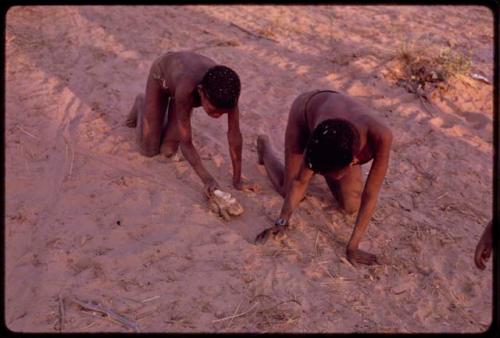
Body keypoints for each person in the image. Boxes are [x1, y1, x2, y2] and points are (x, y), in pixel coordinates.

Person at [255, 90, 393, 266]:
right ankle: (265, 149)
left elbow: (370, 195)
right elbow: (300, 182)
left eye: (327, 172)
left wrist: (353, 246)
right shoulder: (322, 137)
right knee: (288, 189)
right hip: (305, 112)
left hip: (339, 126)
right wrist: (282, 221)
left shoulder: (381, 136)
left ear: (352, 161)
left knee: (351, 204)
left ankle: (325, 168)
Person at [126, 51, 255, 195]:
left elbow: (234, 136)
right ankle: (141, 104)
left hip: (180, 87)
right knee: (149, 149)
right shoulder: (187, 89)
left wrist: (237, 180)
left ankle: (160, 113)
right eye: (213, 110)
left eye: (222, 112)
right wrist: (207, 179)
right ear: (200, 92)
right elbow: (186, 143)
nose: (217, 115)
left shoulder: (228, 94)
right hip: (162, 75)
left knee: (167, 151)